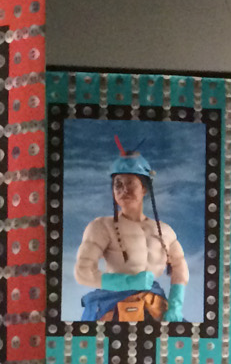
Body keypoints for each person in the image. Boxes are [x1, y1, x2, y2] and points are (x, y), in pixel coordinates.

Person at [73, 137, 189, 323]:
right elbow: (83, 272)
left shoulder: (165, 231)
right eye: (118, 184)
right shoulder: (101, 226)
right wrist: (127, 282)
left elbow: (180, 265)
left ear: (144, 188)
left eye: (130, 183)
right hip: (113, 307)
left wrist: (175, 305)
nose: (123, 190)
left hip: (155, 306)